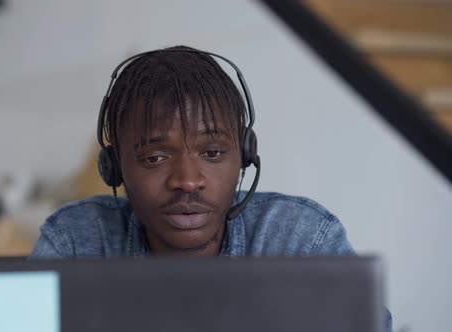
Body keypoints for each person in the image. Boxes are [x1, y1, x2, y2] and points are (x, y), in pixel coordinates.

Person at [30, 45, 391, 330]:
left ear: (245, 156)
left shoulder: (302, 241)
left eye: (213, 152)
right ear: (114, 168)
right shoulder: (74, 244)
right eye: (154, 158)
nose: (187, 180)